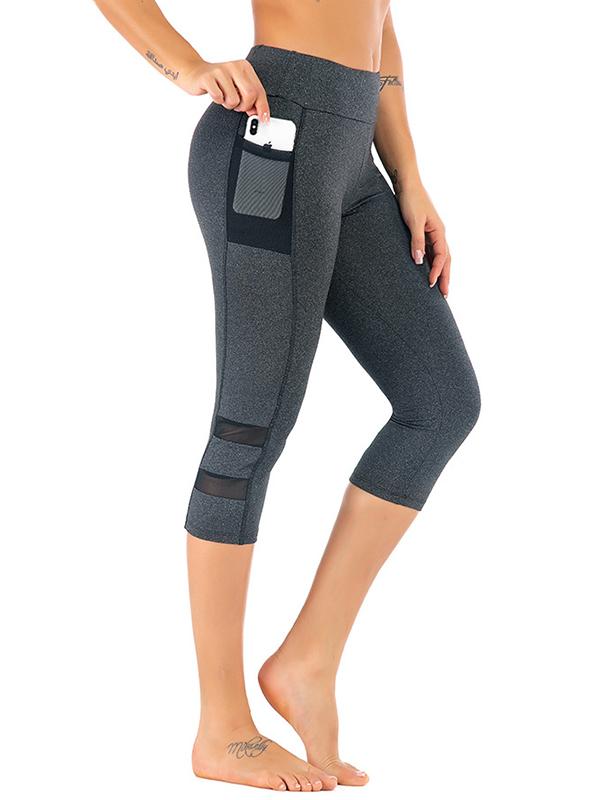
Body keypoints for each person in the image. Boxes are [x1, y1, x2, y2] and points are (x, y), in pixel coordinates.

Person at [95, 0, 481, 791]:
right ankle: (223, 729)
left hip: (352, 158)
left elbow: (380, 24)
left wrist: (410, 177)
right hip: (273, 138)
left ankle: (307, 662)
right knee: (249, 430)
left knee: (439, 401)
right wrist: (186, 66)